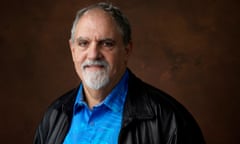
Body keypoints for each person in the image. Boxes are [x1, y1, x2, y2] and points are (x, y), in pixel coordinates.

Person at [34, 2, 205, 144]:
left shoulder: (170, 120)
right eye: (83, 43)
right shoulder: (55, 115)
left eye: (106, 43)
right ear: (73, 51)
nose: (93, 54)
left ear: (127, 50)